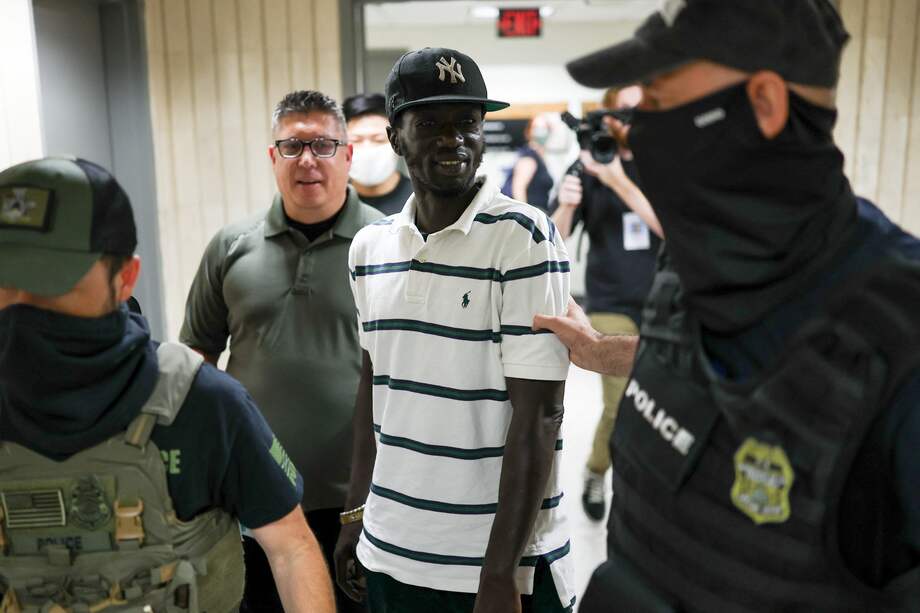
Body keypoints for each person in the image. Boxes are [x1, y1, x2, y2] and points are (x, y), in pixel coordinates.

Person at [535, 1, 920, 611]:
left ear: (764, 102)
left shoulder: (899, 330)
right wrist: (594, 350)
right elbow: (690, 358)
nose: (638, 128)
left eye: (660, 103)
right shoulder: (691, 261)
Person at [0, 157, 334, 613]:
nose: (19, 302)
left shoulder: (201, 403)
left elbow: (291, 549)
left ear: (125, 279)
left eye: (52, 281)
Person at [334, 47, 576, 613]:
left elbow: (540, 416)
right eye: (430, 124)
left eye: (467, 123)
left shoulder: (523, 237)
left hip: (497, 564)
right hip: (392, 549)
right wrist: (356, 514)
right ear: (397, 137)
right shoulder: (369, 250)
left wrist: (498, 576)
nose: (453, 139)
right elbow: (375, 388)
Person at [180, 91, 382, 613]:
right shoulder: (231, 246)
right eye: (292, 146)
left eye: (322, 144)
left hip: (366, 499)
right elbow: (195, 360)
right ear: (273, 158)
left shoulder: (390, 245)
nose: (307, 160)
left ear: (348, 155)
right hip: (253, 496)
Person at [549, 86, 663, 522]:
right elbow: (555, 241)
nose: (631, 119)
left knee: (661, 406)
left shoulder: (663, 165)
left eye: (640, 110)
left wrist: (617, 177)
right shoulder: (586, 167)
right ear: (607, 116)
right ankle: (599, 471)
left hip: (662, 305)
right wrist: (566, 203)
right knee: (622, 405)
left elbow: (670, 228)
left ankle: (646, 485)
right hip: (611, 301)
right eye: (623, 111)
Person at [344, 93, 414, 216]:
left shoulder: (418, 200)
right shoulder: (333, 202)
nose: (367, 149)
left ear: (397, 141)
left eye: (379, 140)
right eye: (356, 140)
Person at [501, 113, 556, 212]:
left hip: (540, 212)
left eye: (544, 127)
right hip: (531, 215)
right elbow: (518, 190)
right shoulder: (528, 157)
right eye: (537, 127)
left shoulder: (541, 157)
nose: (541, 131)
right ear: (529, 131)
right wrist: (526, 216)